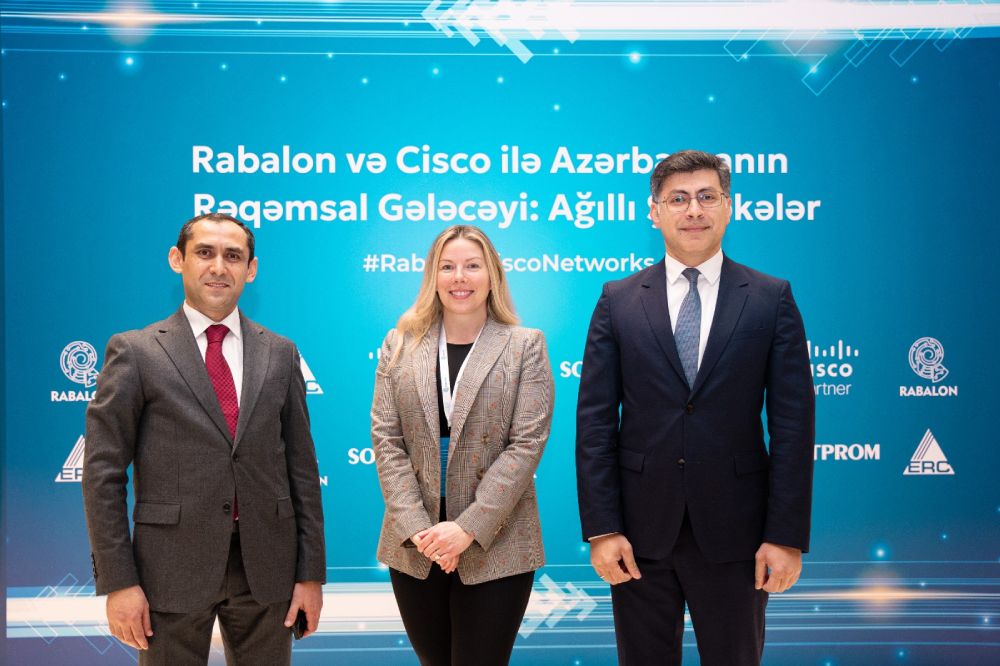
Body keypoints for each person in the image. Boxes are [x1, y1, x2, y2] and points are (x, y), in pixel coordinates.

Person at [576, 150, 814, 665]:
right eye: (678, 199)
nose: (693, 210)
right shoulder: (617, 300)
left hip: (739, 535)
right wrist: (603, 529)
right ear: (655, 212)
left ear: (728, 207)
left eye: (707, 197)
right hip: (638, 536)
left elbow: (794, 427)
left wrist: (785, 536)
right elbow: (595, 423)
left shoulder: (771, 298)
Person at [82, 212, 326, 665]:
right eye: (204, 253)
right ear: (178, 260)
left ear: (250, 269)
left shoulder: (280, 352)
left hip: (267, 572)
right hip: (167, 572)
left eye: (233, 256)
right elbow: (102, 476)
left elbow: (302, 471)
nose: (218, 267)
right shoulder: (135, 351)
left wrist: (310, 574)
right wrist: (119, 582)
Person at [371, 224, 554, 666]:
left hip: (497, 540)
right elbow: (387, 438)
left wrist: (466, 529)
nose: (459, 277)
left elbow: (526, 445)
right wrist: (419, 529)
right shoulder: (399, 344)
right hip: (416, 543)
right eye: (447, 267)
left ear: (492, 275)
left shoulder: (525, 346)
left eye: (472, 266)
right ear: (432, 277)